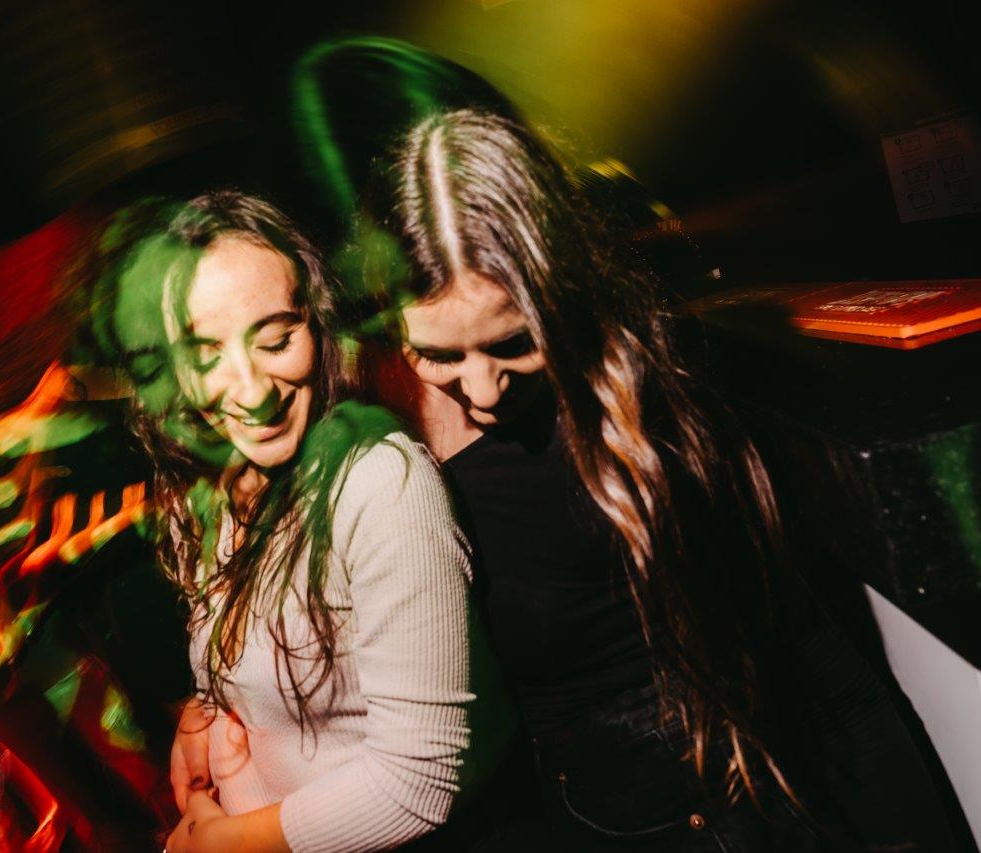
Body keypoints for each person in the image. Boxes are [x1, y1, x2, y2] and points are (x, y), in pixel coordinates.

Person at [348, 106, 961, 850]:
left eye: (515, 342)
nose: (482, 389)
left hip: (766, 804)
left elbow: (810, 647)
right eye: (438, 354)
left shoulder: (660, 397)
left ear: (561, 289)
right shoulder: (373, 439)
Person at [97, 191, 478, 852]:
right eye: (205, 356)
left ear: (318, 326)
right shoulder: (208, 483)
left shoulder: (380, 484)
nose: (252, 391)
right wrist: (207, 711)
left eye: (276, 340)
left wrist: (221, 843)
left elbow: (419, 783)